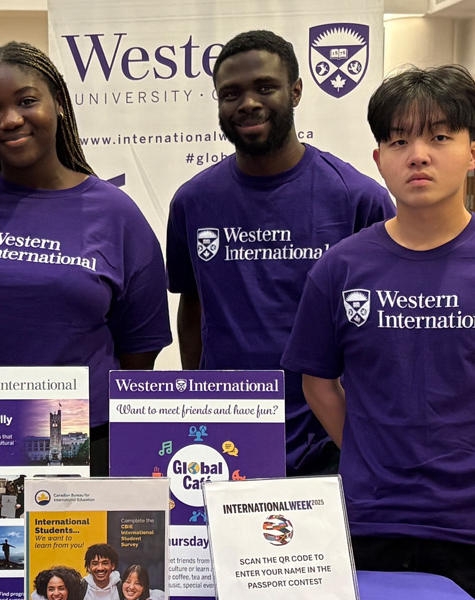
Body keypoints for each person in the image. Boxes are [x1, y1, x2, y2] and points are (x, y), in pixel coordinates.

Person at [279, 65, 475, 600]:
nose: (418, 154)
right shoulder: (340, 269)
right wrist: (368, 449)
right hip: (371, 520)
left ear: (474, 152)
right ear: (379, 160)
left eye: (440, 137)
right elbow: (316, 382)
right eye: (399, 140)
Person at [0, 42, 171, 475]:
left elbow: (139, 353)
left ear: (58, 102)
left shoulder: (115, 214)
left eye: (26, 101)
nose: (10, 119)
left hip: (85, 446)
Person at [167, 30, 393, 476]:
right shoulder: (193, 202)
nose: (247, 102)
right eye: (230, 93)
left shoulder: (357, 198)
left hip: (330, 435)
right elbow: (191, 305)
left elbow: (382, 326)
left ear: (295, 91)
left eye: (264, 87)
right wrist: (195, 397)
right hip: (226, 433)